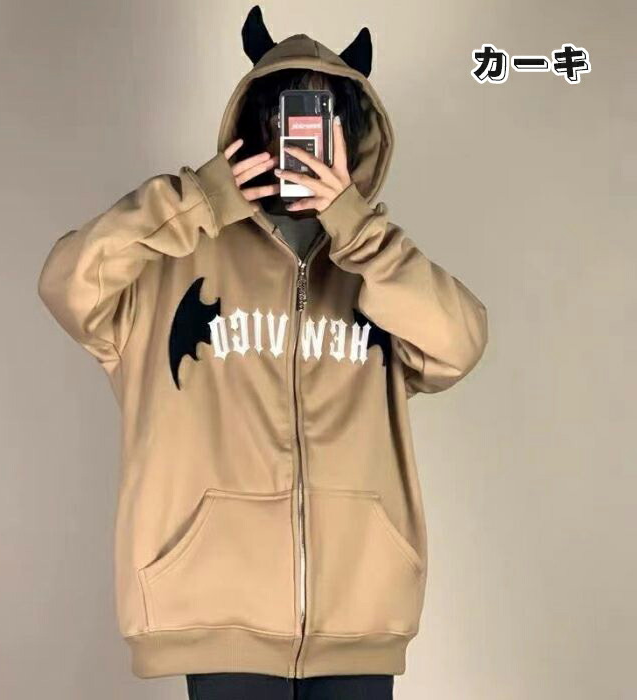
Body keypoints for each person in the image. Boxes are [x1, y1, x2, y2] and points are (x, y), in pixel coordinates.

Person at [37, 6, 488, 700]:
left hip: (360, 617)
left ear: (351, 134)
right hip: (215, 607)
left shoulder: (375, 269)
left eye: (323, 117)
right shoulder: (171, 258)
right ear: (256, 124)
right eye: (286, 114)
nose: (301, 136)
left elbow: (460, 342)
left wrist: (356, 227)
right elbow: (67, 282)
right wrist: (197, 201)